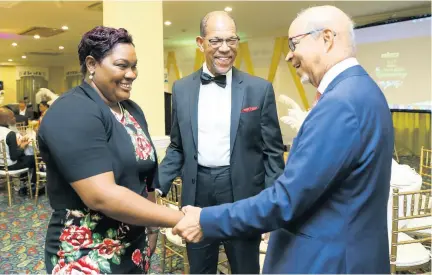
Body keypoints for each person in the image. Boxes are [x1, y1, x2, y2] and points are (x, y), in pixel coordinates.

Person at [173, 5, 394, 274]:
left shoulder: (341, 104)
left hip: (329, 261)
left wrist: (206, 219)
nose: (289, 55)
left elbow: (287, 199)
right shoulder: (361, 89)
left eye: (294, 43)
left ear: (326, 39)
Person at [38, 26, 184, 274]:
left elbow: (146, 178)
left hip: (133, 245)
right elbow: (101, 195)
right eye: (121, 65)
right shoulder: (72, 110)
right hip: (86, 253)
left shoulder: (131, 110)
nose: (132, 74)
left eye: (134, 66)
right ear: (92, 64)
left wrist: (150, 227)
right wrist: (179, 219)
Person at [158, 11, 285, 274]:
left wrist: (274, 209)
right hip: (197, 193)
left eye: (232, 40)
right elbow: (178, 147)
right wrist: (155, 188)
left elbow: (272, 154)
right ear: (200, 42)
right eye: (216, 41)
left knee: (245, 268)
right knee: (200, 269)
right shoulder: (181, 89)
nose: (225, 49)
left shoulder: (258, 89)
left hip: (242, 195)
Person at [0, 107, 36, 196]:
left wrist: (18, 146)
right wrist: (22, 146)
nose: (15, 119)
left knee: (25, 157)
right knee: (33, 158)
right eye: (12, 117)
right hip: (9, 166)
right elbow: (14, 157)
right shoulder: (9, 133)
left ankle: (22, 182)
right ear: (5, 119)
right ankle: (32, 184)